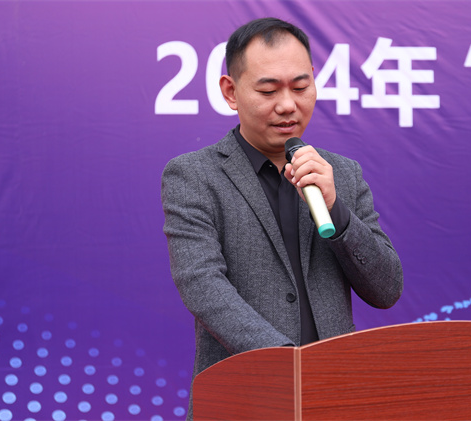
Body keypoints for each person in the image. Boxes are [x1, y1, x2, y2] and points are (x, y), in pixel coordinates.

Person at [161, 17, 403, 418]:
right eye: (268, 90)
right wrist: (289, 362)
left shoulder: (341, 174)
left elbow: (386, 289)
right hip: (243, 397)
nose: (288, 104)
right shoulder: (193, 176)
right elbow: (202, 285)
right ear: (230, 91)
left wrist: (336, 209)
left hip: (335, 396)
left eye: (301, 87)